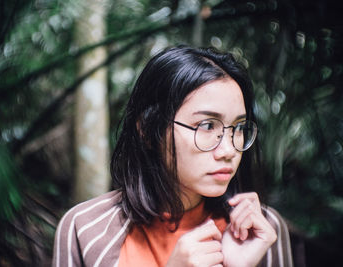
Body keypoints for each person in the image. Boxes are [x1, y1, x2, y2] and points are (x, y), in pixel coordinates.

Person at [52, 45, 293, 267]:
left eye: (239, 128)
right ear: (148, 130)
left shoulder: (261, 230)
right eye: (207, 126)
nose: (229, 150)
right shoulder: (84, 230)